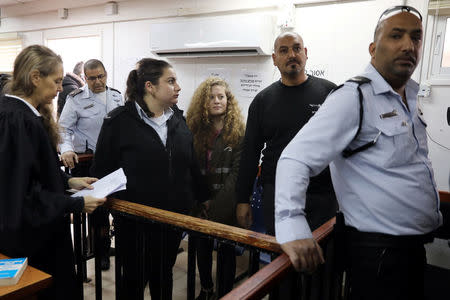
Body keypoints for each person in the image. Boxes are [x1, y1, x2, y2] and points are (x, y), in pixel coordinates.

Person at [275, 6, 442, 300]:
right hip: (378, 256)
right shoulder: (353, 97)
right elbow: (294, 159)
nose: (408, 45)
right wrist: (293, 228)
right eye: (396, 35)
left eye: (416, 37)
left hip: (410, 251)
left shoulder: (408, 97)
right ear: (373, 48)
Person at [91, 58, 207, 300]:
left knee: (163, 276)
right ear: (150, 86)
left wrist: (202, 198)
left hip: (171, 219)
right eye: (171, 81)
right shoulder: (118, 122)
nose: (178, 87)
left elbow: (191, 163)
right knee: (133, 280)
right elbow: (102, 172)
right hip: (135, 222)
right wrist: (100, 222)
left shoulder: (177, 119)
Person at [0, 45, 105, 300]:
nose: (61, 88)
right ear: (36, 78)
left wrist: (69, 180)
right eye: (56, 81)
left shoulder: (22, 114)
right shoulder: (17, 120)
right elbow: (22, 191)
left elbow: (34, 171)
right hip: (32, 237)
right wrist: (74, 203)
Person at [236, 31, 337, 234]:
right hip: (278, 193)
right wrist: (242, 199)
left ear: (306, 53)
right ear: (274, 59)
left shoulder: (330, 93)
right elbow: (250, 153)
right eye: (284, 50)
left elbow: (345, 145)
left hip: (321, 193)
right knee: (282, 257)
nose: (292, 54)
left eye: (296, 48)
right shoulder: (262, 101)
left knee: (322, 258)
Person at [59, 58, 124, 270]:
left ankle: (122, 250)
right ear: (85, 78)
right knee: (97, 214)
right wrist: (67, 149)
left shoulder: (116, 95)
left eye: (101, 76)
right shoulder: (76, 98)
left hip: (114, 163)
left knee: (120, 210)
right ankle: (101, 252)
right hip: (89, 164)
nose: (98, 81)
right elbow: (63, 129)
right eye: (92, 78)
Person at [186, 77, 245, 299]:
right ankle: (207, 288)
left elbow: (236, 173)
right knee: (201, 247)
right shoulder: (193, 129)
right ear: (203, 102)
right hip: (200, 202)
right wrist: (202, 201)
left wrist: (216, 205)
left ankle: (225, 292)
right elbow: (190, 168)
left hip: (226, 204)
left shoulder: (238, 131)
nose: (217, 101)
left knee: (226, 251)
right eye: (211, 97)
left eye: (221, 97)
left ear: (228, 101)